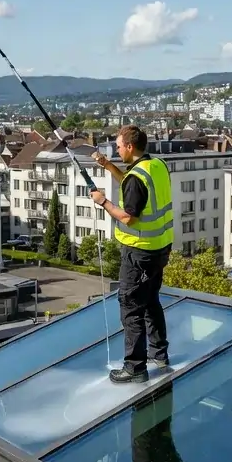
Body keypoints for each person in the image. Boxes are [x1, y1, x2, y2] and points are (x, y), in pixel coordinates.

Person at [90, 125, 173, 385]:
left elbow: (129, 217)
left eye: (118, 147)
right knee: (151, 301)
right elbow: (131, 182)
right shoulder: (155, 166)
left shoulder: (137, 178)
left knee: (131, 305)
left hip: (139, 252)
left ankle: (135, 368)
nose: (116, 150)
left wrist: (103, 202)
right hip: (160, 248)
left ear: (129, 146)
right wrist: (108, 166)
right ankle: (159, 354)